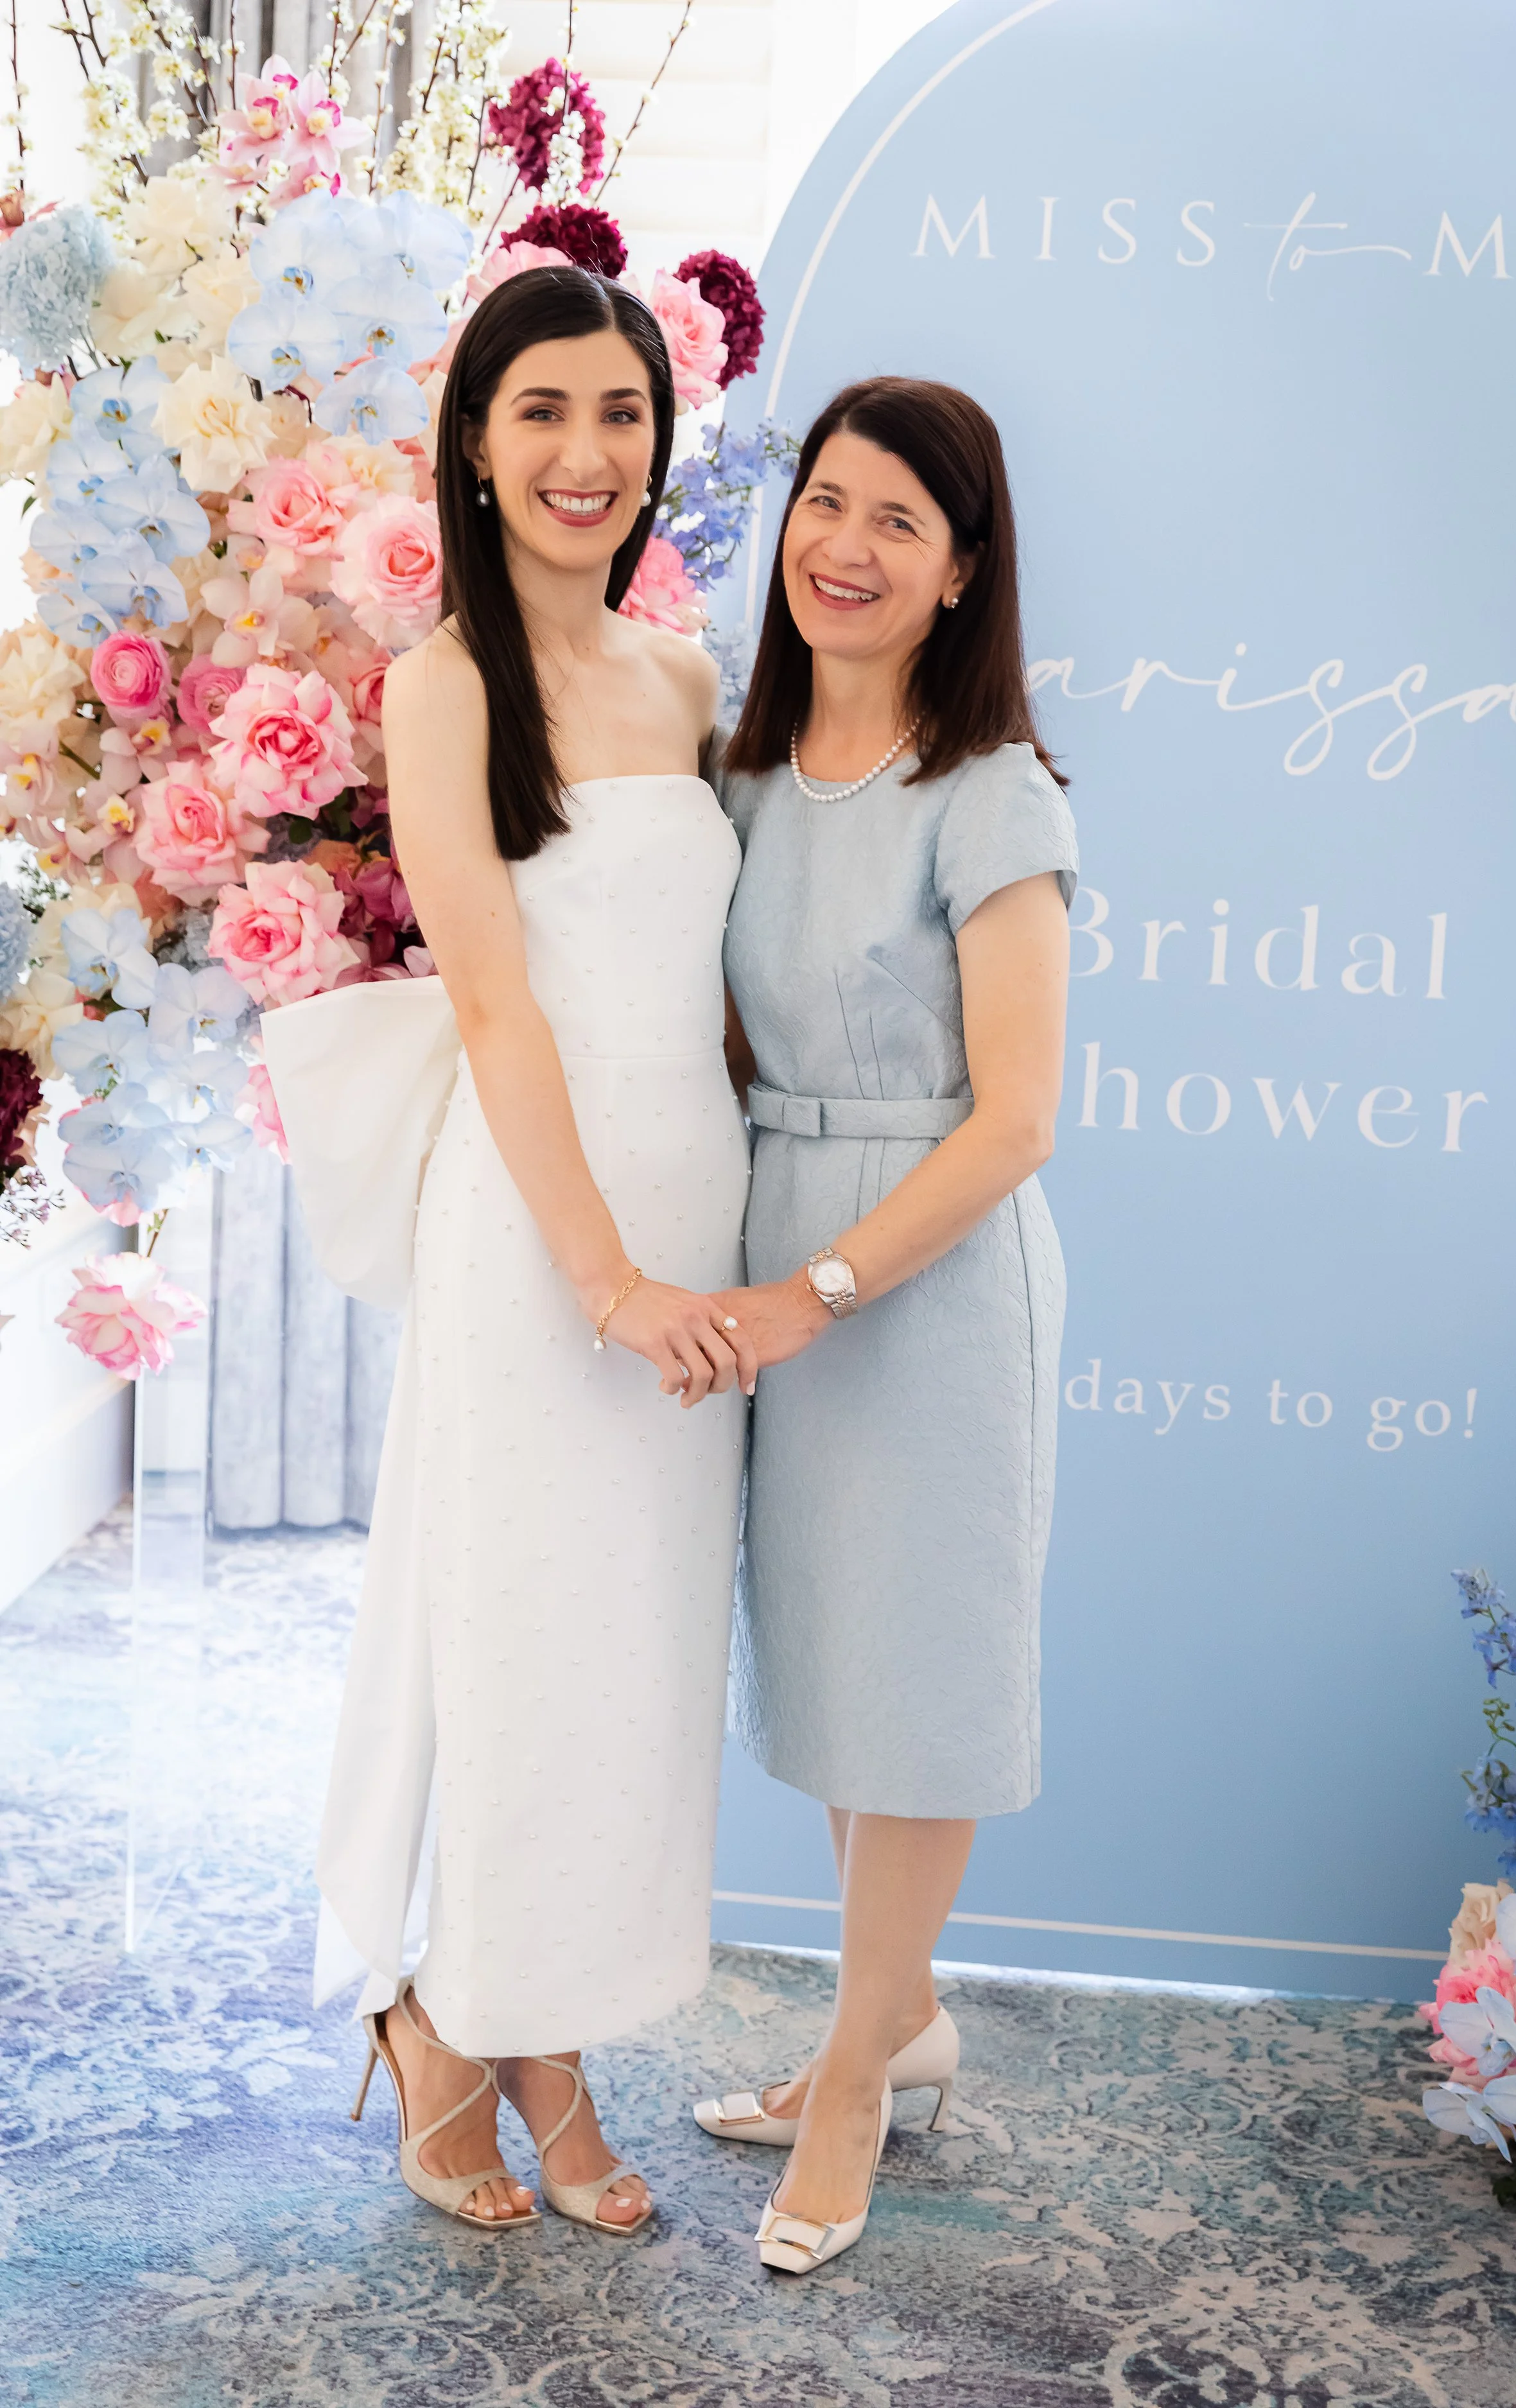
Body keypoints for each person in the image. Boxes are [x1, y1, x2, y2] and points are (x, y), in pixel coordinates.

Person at [311, 266, 758, 2233]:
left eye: (623, 414)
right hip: (539, 1236)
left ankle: (518, 2035)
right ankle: (458, 2034)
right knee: (519, 1650)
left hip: (699, 1211)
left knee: (629, 1670)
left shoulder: (678, 676)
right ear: (477, 447)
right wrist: (602, 1277)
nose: (588, 454)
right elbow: (496, 1007)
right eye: (544, 413)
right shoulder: (443, 684)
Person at [695, 377, 1077, 2274]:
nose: (842, 546)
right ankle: (893, 2018)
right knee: (838, 1668)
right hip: (776, 1228)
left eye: (896, 523)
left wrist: (816, 1286)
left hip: (917, 1273)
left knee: (917, 1687)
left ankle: (855, 2076)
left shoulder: (990, 789)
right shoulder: (741, 767)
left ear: (958, 572)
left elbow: (1016, 1115)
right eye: (823, 503)